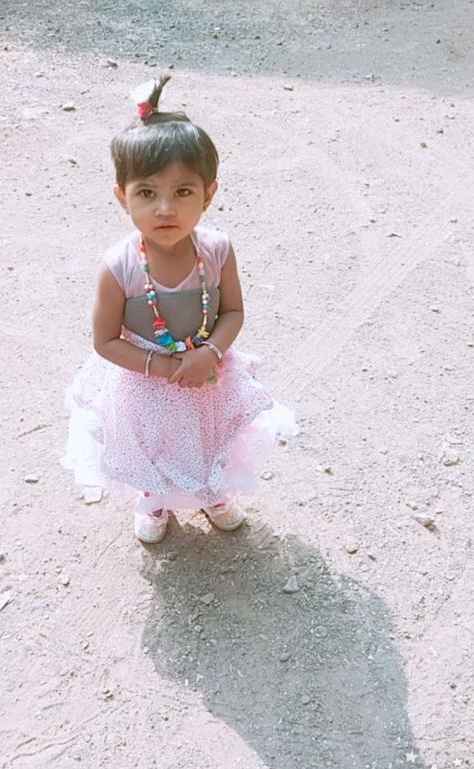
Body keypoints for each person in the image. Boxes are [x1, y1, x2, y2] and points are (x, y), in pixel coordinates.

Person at [62, 74, 298, 544]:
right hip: (145, 383)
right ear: (122, 197)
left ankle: (212, 491)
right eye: (147, 193)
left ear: (209, 193)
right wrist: (164, 366)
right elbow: (104, 341)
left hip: (207, 375)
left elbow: (232, 312)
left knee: (208, 436)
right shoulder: (119, 266)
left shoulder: (217, 251)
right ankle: (153, 499)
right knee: (151, 444)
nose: (165, 209)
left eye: (183, 192)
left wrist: (209, 353)